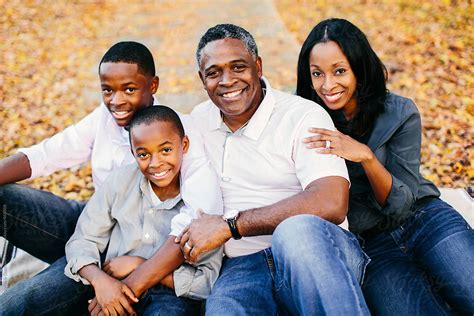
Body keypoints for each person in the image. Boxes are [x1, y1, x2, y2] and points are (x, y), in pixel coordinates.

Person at [175, 24, 371, 315]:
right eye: (214, 72)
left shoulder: (302, 115)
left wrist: (231, 225)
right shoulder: (197, 122)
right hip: (243, 265)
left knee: (296, 231)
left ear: (258, 66)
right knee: (223, 309)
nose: (227, 81)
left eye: (238, 67)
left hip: (318, 253)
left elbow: (332, 202)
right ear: (202, 79)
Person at [296, 18, 474, 315]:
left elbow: (401, 205)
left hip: (424, 218)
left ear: (359, 68)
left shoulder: (399, 112)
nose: (327, 85)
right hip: (372, 247)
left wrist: (365, 156)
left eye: (339, 71)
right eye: (317, 73)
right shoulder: (306, 120)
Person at [0, 42, 222, 266]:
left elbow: (196, 215)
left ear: (153, 85)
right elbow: (46, 155)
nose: (116, 101)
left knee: (31, 297)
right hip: (93, 225)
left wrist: (140, 272)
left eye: (129, 89)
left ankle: (76, 277)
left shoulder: (179, 132)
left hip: (142, 248)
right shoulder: (103, 119)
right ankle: (75, 268)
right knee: (4, 198)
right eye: (108, 90)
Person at [0, 106, 223, 315]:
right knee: (23, 301)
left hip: (168, 296)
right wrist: (101, 282)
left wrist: (139, 265)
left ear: (184, 145)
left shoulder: (201, 198)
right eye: (144, 154)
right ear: (133, 153)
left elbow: (206, 282)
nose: (155, 163)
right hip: (105, 274)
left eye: (166, 150)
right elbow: (82, 239)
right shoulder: (121, 181)